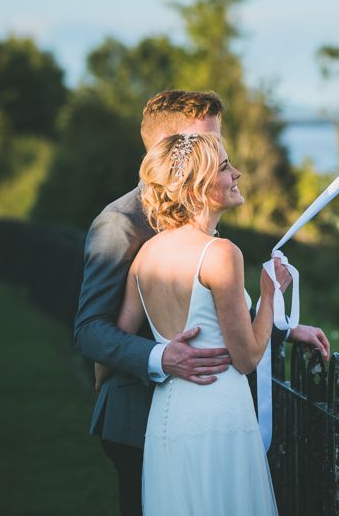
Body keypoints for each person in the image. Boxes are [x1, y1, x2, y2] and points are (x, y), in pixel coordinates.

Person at [74, 90, 329, 516]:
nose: (222, 156)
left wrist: (281, 328)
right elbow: (90, 329)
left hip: (189, 405)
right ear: (173, 151)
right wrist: (162, 357)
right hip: (139, 413)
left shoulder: (179, 243)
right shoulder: (120, 223)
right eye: (207, 143)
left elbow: (208, 305)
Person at [113, 132, 286, 514]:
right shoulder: (221, 253)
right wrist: (270, 295)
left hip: (166, 419)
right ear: (197, 187)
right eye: (225, 167)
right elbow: (246, 357)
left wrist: (158, 357)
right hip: (218, 416)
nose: (237, 173)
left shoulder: (146, 255)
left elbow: (118, 339)